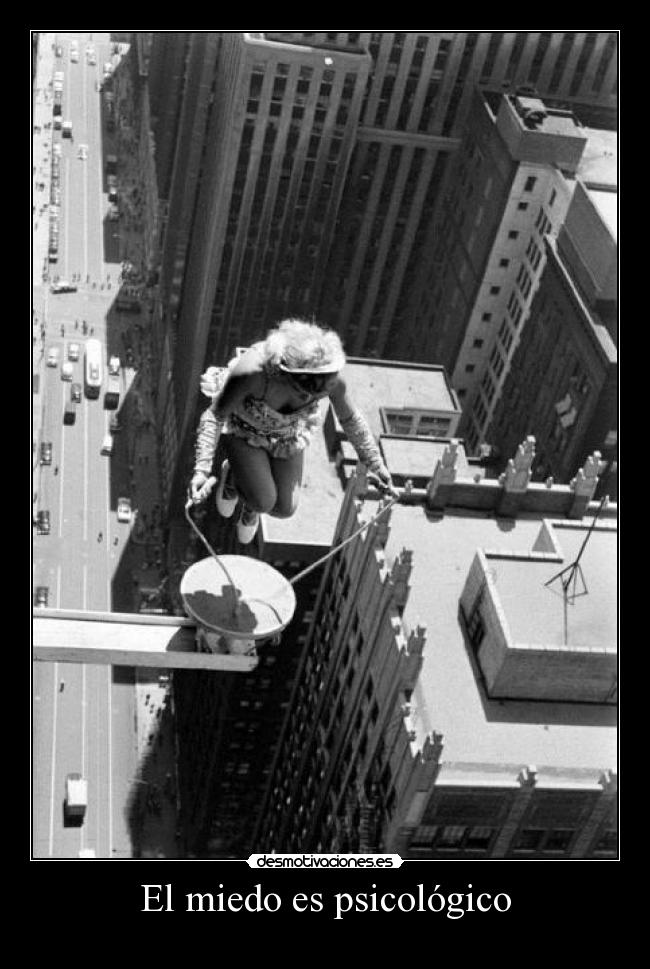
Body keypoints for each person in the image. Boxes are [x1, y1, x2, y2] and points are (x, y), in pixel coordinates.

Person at [190, 319, 396, 544]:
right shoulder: (255, 370)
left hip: (286, 436)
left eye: (316, 395)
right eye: (302, 392)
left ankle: (248, 496)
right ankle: (235, 477)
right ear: (285, 374)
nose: (308, 398)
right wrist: (202, 468)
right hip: (244, 430)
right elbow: (215, 416)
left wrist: (375, 463)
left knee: (285, 508)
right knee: (264, 500)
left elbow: (350, 419)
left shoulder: (332, 380)